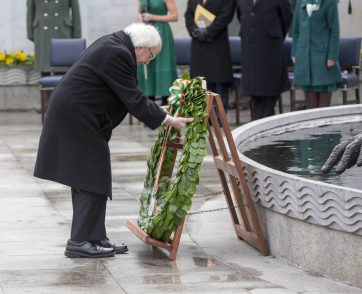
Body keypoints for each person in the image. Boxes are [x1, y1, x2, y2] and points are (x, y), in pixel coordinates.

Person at [33, 23, 193, 258]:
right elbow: (132, 96)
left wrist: (159, 111)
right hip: (77, 119)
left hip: (78, 117)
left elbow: (126, 95)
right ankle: (79, 242)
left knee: (88, 177)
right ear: (141, 47)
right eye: (150, 56)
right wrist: (168, 119)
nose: (147, 62)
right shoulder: (117, 52)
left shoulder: (116, 45)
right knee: (90, 177)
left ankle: (93, 237)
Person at [237, 0, 293, 121]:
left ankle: (266, 120)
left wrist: (274, 35)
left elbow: (287, 17)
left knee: (269, 92)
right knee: (254, 93)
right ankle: (257, 120)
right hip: (250, 49)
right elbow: (240, 15)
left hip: (270, 49)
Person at [185, 0, 236, 121]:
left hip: (217, 44)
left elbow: (225, 16)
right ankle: (202, 117)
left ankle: (219, 118)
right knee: (200, 82)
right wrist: (194, 31)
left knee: (220, 83)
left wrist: (208, 31)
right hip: (198, 45)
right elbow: (188, 15)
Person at [291, 0, 342, 109]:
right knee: (311, 105)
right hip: (304, 55)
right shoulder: (301, 2)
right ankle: (312, 125)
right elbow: (295, 30)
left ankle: (323, 125)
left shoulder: (329, 2)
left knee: (323, 105)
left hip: (322, 56)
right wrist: (295, 52)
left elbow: (334, 30)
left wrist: (332, 56)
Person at [137, 0, 178, 105]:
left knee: (163, 64)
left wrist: (153, 17)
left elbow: (174, 16)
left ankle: (166, 106)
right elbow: (139, 12)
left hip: (161, 33)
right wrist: (140, 17)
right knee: (147, 64)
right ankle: (148, 107)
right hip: (146, 34)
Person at [27, 0, 81, 74]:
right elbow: (30, 11)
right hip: (42, 31)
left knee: (63, 66)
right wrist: (30, 33)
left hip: (62, 30)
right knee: (45, 67)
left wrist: (76, 33)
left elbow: (75, 11)